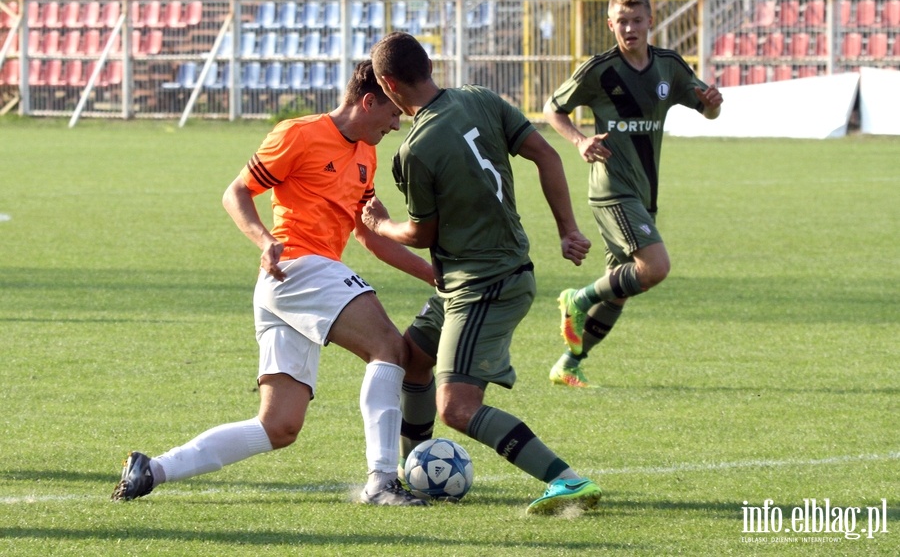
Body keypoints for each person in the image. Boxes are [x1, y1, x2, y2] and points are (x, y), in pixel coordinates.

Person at [111, 60, 434, 507]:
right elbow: (236, 193)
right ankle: (382, 480)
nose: (398, 122)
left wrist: (435, 277)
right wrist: (264, 240)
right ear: (367, 100)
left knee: (278, 426)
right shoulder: (299, 133)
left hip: (292, 285)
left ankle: (153, 469)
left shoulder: (367, 153)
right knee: (390, 349)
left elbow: (370, 237)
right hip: (299, 266)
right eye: (393, 111)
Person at [364, 31, 602, 515]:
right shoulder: (480, 98)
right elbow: (548, 155)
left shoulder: (415, 151)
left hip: (483, 286)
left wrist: (380, 224)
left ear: (388, 85)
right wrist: (567, 230)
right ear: (428, 67)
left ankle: (566, 480)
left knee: (457, 407)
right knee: (413, 356)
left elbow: (422, 233)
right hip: (478, 277)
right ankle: (416, 466)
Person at [542, 0, 724, 388]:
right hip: (611, 189)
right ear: (610, 24)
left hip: (644, 192)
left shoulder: (669, 67)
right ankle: (577, 299)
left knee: (621, 288)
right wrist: (580, 141)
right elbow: (553, 108)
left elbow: (709, 111)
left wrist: (713, 102)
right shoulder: (599, 69)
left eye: (636, 20)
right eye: (621, 22)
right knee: (654, 268)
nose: (629, 28)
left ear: (649, 22)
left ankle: (569, 363)